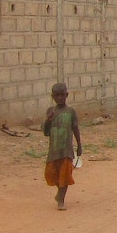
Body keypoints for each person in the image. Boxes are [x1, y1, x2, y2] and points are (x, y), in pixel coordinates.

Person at [42, 82, 82, 210]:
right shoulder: (50, 111)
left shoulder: (71, 112)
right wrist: (48, 119)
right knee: (51, 173)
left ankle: (61, 199)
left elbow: (75, 128)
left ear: (67, 95)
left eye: (62, 95)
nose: (60, 98)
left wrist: (79, 145)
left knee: (65, 175)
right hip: (54, 149)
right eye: (56, 95)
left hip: (66, 149)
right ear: (52, 96)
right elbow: (45, 131)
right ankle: (59, 193)